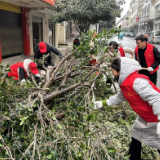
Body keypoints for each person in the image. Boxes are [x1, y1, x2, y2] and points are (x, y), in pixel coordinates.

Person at [93, 57, 160, 160]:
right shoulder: (125, 83)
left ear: (121, 70)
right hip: (145, 116)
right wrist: (102, 103)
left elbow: (156, 98)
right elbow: (119, 98)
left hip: (155, 118)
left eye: (113, 71)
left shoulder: (137, 82)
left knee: (157, 140)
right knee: (136, 133)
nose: (112, 74)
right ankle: (133, 156)